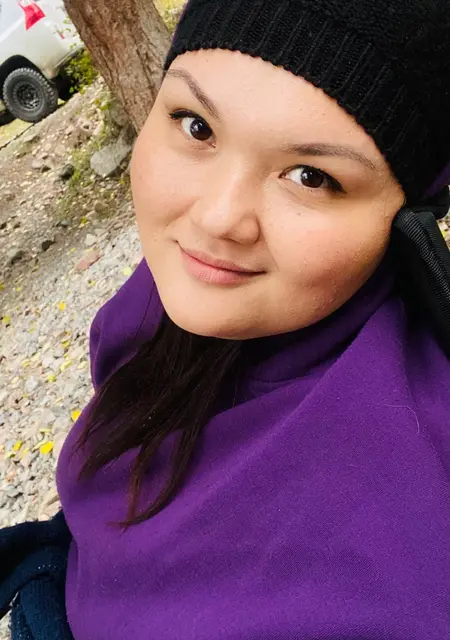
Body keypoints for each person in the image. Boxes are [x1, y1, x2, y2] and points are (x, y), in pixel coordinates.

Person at [1, 0, 450, 638]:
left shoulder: (400, 562)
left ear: (408, 217)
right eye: (196, 126)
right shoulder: (171, 299)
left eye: (310, 176)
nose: (217, 218)